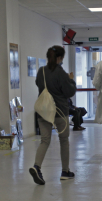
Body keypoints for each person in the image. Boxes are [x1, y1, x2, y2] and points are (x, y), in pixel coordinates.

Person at [29, 45, 76, 185]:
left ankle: (36, 166)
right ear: (60, 58)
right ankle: (65, 171)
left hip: (43, 111)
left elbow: (39, 84)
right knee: (63, 140)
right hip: (59, 111)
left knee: (45, 140)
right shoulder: (61, 73)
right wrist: (71, 80)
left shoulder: (41, 71)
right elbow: (69, 92)